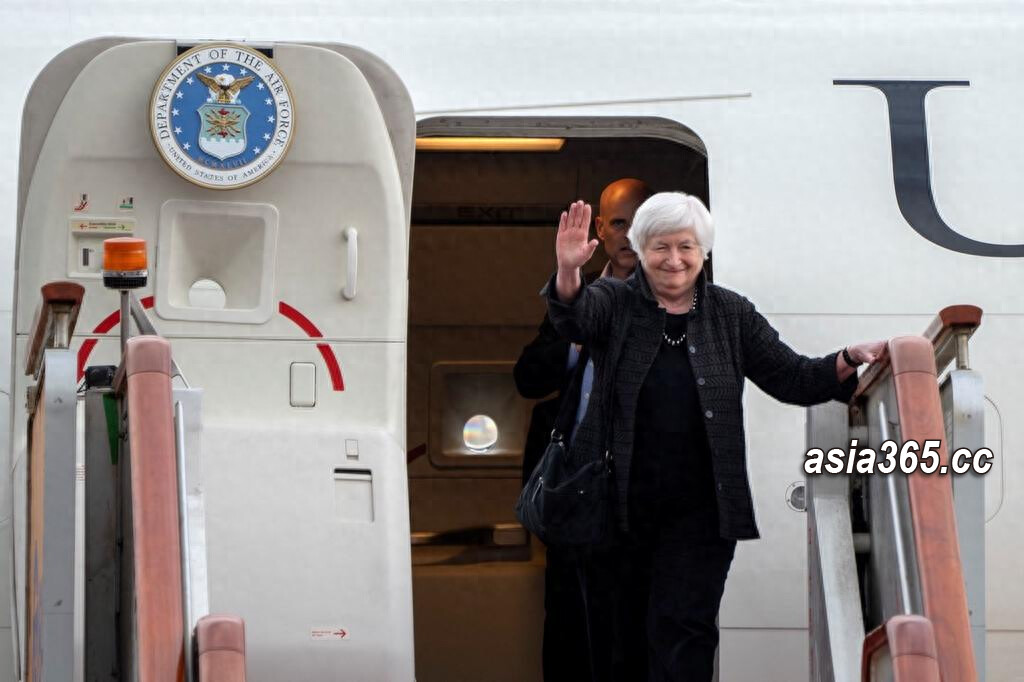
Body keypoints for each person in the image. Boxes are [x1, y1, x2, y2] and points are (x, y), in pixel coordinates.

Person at [542, 194, 885, 682]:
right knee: (621, 645)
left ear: (703, 251)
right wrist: (568, 270)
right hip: (615, 513)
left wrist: (847, 357)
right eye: (661, 247)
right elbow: (573, 317)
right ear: (640, 248)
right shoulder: (614, 302)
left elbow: (793, 377)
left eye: (686, 246)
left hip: (700, 515)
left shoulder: (730, 313)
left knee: (685, 636)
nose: (674, 259)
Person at [514, 178, 652, 682]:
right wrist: (578, 337)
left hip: (641, 495)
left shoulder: (677, 292)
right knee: (568, 627)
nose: (629, 235)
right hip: (574, 490)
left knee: (633, 629)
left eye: (640, 223)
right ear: (600, 229)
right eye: (619, 223)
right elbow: (527, 378)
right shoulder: (576, 291)